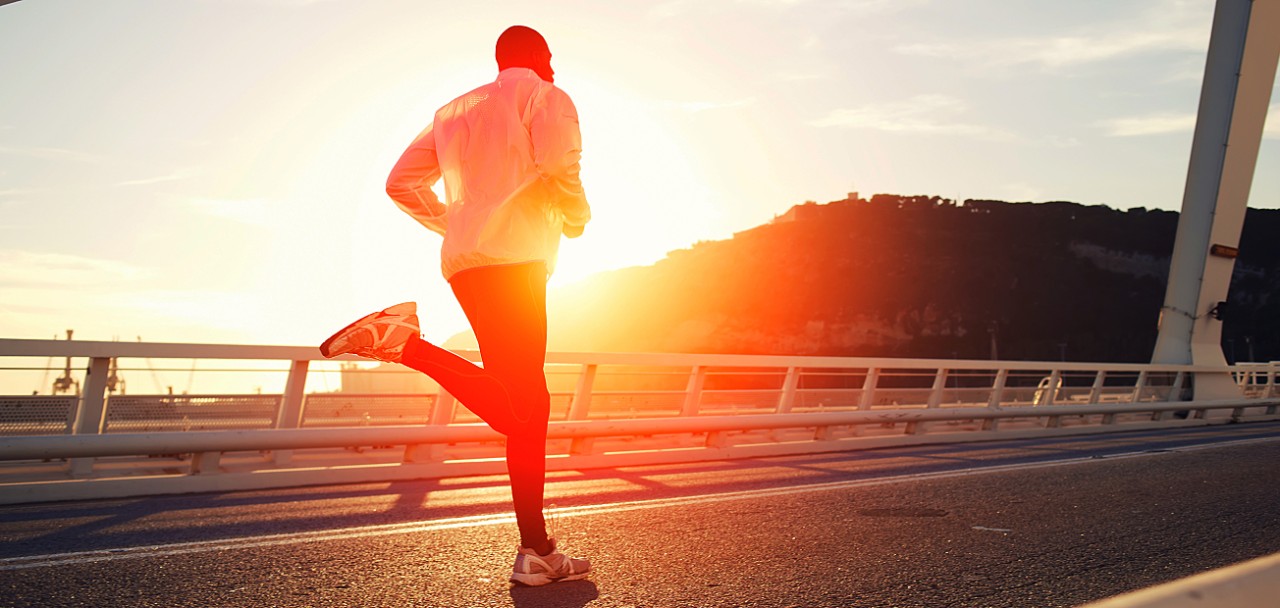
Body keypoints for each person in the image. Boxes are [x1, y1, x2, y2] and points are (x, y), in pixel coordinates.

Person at [319, 25, 591, 587]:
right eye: (550, 58)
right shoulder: (545, 94)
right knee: (525, 406)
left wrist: (459, 222)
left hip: (467, 264)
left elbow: (401, 183)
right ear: (539, 57)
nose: (554, 67)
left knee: (522, 404)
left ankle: (536, 549)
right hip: (518, 260)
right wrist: (577, 215)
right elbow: (561, 163)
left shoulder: (452, 112)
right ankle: (410, 346)